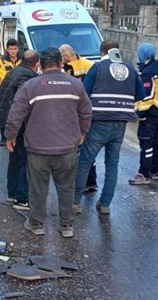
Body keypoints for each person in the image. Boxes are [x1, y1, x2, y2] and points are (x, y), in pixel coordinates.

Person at [5, 47, 92, 238]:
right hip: (67, 149)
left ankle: (36, 224)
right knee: (66, 187)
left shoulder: (31, 86)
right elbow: (86, 112)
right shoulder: (76, 85)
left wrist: (10, 137)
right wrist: (82, 132)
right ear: (62, 64)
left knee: (38, 188)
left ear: (40, 65)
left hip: (38, 149)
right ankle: (67, 225)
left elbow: (15, 114)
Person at [75, 40, 144, 214]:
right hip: (120, 124)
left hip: (98, 122)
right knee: (112, 164)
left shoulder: (98, 68)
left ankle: (75, 202)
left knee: (85, 161)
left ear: (102, 52)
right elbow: (141, 94)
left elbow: (84, 93)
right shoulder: (130, 69)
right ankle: (105, 205)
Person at [0, 50, 40, 210]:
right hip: (19, 123)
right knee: (25, 159)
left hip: (10, 121)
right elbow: (21, 103)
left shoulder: (16, 71)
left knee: (15, 158)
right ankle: (22, 198)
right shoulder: (27, 76)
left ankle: (12, 193)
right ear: (36, 63)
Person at [129, 42, 158, 185]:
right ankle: (154, 171)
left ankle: (144, 174)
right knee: (155, 142)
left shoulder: (148, 72)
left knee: (146, 142)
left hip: (152, 112)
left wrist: (138, 112)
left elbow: (147, 95)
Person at [60, 44, 99, 202]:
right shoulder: (90, 65)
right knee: (88, 149)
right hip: (87, 111)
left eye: (61, 57)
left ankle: (78, 183)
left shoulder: (69, 68)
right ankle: (90, 181)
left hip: (76, 112)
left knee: (76, 148)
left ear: (67, 56)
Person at [0, 39, 23, 147]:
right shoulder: (2, 59)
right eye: (11, 49)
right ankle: (3, 137)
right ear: (7, 50)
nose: (13, 51)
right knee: (5, 114)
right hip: (6, 89)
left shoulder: (22, 59)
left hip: (20, 89)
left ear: (18, 49)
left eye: (15, 49)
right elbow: (3, 75)